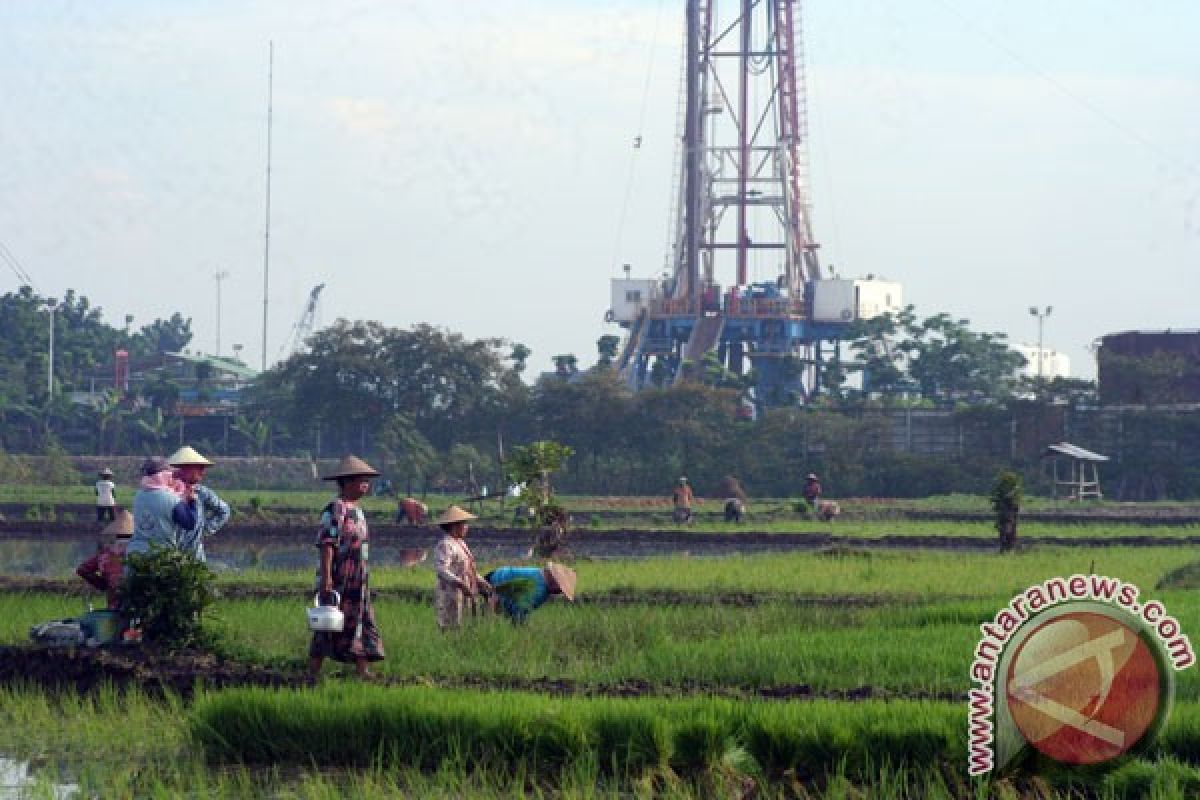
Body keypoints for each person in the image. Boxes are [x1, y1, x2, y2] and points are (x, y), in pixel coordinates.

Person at [309, 455, 385, 680]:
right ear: (348, 482)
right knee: (328, 623)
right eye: (362, 481)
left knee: (360, 619)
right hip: (339, 576)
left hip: (358, 578)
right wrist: (326, 578)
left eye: (367, 481)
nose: (366, 485)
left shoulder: (358, 511)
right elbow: (327, 543)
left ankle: (362, 669)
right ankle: (313, 672)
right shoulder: (336, 508)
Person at [168, 446, 231, 563]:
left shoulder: (202, 493)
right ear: (185, 469)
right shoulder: (167, 492)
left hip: (195, 556)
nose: (203, 472)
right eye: (199, 468)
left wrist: (204, 530)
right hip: (170, 555)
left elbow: (224, 511)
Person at [433, 505, 489, 631]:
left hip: (466, 591)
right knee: (451, 627)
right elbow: (442, 570)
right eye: (465, 524)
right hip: (451, 593)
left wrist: (481, 581)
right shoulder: (445, 545)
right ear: (455, 526)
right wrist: (461, 584)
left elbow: (467, 569)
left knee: (466, 625)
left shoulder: (461, 543)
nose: (467, 527)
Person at [127, 456, 194, 561]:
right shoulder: (172, 499)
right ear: (164, 475)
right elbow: (189, 524)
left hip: (135, 553)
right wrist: (191, 502)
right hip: (161, 556)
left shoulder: (138, 495)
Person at [483, 562, 576, 624]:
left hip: (496, 574)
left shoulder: (537, 573)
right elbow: (519, 610)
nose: (559, 593)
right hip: (497, 585)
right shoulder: (540, 591)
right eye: (560, 590)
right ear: (555, 584)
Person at [76, 509, 134, 609]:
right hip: (136, 606)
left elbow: (82, 569)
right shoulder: (139, 551)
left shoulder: (106, 553)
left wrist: (103, 584)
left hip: (113, 606)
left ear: (116, 534)